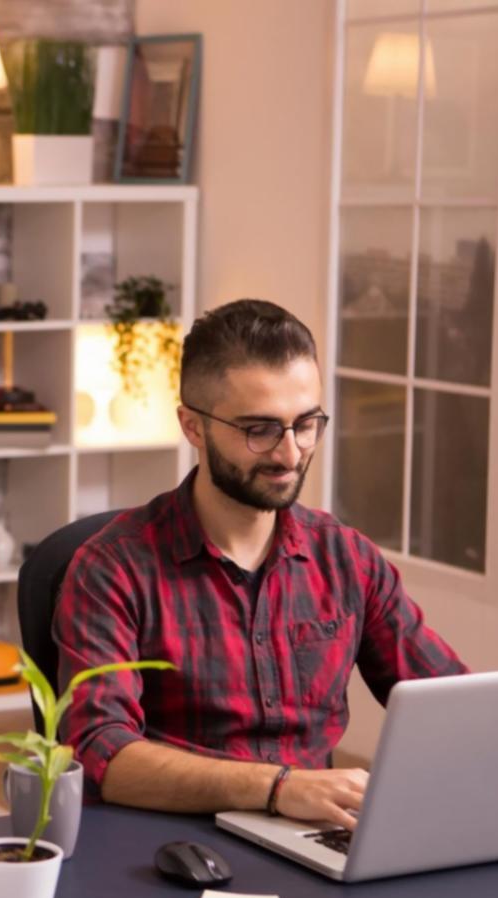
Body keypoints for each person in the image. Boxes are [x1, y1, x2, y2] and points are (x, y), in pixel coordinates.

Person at [57, 299, 466, 830]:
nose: (291, 454)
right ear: (193, 427)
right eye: (260, 430)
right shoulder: (112, 569)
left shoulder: (348, 560)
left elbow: (451, 708)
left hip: (313, 839)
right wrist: (277, 788)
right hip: (170, 849)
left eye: (306, 424)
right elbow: (98, 753)